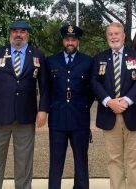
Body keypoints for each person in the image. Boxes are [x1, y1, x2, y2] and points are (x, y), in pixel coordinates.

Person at [0, 20, 48, 189]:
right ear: (10, 34)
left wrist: (43, 110)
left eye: (22, 31)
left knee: (24, 160)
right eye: (15, 31)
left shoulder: (37, 55)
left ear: (27, 34)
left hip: (26, 116)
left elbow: (45, 86)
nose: (18, 35)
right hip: (0, 115)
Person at [91, 22, 136, 189]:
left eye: (117, 33)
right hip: (109, 115)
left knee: (135, 161)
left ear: (124, 35)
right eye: (110, 34)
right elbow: (94, 82)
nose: (114, 37)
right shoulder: (100, 58)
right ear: (107, 37)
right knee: (114, 160)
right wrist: (109, 102)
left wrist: (126, 100)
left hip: (134, 114)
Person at [45, 24, 94, 189]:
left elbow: (92, 89)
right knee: (56, 159)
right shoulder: (50, 61)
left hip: (80, 118)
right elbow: (46, 90)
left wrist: (83, 106)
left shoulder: (88, 61)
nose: (70, 42)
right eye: (67, 39)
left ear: (78, 41)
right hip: (57, 118)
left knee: (81, 159)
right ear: (63, 41)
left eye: (73, 39)